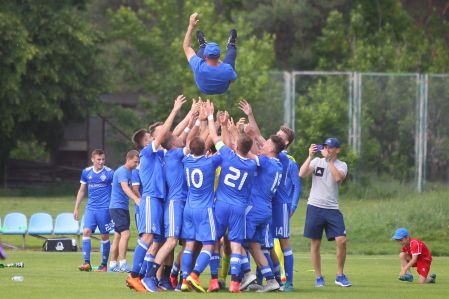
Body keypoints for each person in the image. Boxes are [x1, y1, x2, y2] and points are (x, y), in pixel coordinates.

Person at [126, 95, 186, 292]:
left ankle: (146, 277)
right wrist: (175, 110)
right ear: (146, 142)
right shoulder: (147, 153)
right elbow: (164, 134)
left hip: (160, 200)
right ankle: (134, 275)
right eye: (152, 136)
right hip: (151, 198)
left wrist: (191, 118)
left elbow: (172, 134)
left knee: (157, 240)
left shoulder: (160, 153)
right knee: (149, 237)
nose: (157, 137)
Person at [206, 101, 257, 293]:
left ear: (235, 146)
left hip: (221, 205)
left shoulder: (227, 155)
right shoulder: (252, 165)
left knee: (213, 242)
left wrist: (212, 117)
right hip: (238, 208)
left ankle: (213, 281)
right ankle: (235, 283)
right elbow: (244, 148)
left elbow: (213, 136)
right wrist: (235, 131)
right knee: (236, 246)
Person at [299, 138, 351, 287]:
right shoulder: (316, 162)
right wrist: (310, 156)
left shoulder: (342, 165)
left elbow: (338, 178)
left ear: (337, 150)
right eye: (326, 146)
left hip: (332, 208)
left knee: (342, 240)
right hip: (314, 206)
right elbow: (301, 174)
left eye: (331, 147)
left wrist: (329, 161)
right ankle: (318, 277)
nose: (328, 149)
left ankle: (340, 275)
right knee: (315, 243)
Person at [180, 130, 223, 293]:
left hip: (189, 209)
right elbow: (223, 149)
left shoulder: (186, 160)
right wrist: (221, 126)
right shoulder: (210, 162)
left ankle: (184, 280)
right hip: (205, 209)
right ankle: (195, 275)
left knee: (189, 244)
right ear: (206, 150)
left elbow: (193, 146)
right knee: (210, 244)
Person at [73, 149, 114, 272]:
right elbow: (81, 190)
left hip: (104, 209)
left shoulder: (110, 173)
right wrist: (76, 208)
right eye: (98, 159)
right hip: (91, 208)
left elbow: (116, 191)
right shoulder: (86, 172)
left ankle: (103, 265)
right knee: (86, 231)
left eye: (103, 159)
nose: (101, 162)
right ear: (93, 160)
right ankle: (87, 263)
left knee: (104, 235)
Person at [183, 12, 237, 95]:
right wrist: (221, 64)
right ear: (219, 56)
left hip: (204, 89)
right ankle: (231, 44)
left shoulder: (198, 65)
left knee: (199, 58)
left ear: (205, 57)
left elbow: (187, 47)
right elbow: (232, 81)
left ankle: (203, 45)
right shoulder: (227, 69)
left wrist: (191, 26)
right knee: (231, 57)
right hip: (222, 89)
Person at [108, 150, 140, 272]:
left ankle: (112, 265)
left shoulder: (131, 172)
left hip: (122, 207)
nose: (137, 164)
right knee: (126, 234)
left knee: (117, 236)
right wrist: (136, 199)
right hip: (117, 208)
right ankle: (123, 264)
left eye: (138, 162)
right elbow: (125, 188)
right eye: (135, 162)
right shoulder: (122, 171)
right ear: (129, 159)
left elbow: (133, 188)